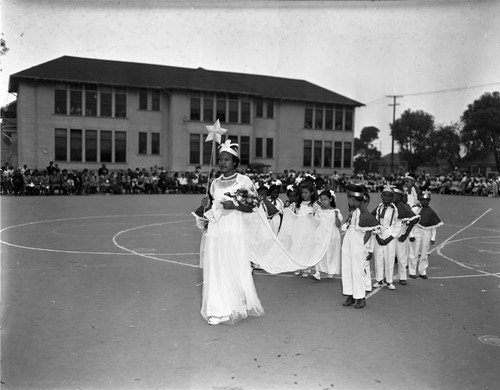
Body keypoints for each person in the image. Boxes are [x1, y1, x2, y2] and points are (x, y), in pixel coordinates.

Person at [197, 140, 264, 325]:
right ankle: (217, 308)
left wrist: (235, 205)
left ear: (235, 162)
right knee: (216, 267)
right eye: (220, 159)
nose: (222, 162)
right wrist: (206, 205)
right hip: (218, 230)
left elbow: (254, 206)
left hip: (235, 230)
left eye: (227, 159)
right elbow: (213, 206)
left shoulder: (244, 181)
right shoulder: (215, 184)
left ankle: (233, 306)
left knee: (232, 267)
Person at [341, 184, 380, 309]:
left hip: (357, 244)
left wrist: (360, 245)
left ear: (352, 199)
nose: (348, 201)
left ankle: (360, 296)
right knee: (348, 268)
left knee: (358, 270)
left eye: (348, 198)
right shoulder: (353, 211)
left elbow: (368, 232)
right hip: (349, 243)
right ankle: (351, 294)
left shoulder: (363, 212)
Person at [372, 185, 401, 290]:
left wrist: (389, 238)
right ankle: (379, 279)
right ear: (381, 196)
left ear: (392, 198)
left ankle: (389, 280)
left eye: (389, 196)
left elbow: (397, 226)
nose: (386, 198)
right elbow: (376, 222)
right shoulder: (379, 207)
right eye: (384, 196)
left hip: (390, 235)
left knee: (389, 258)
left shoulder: (394, 209)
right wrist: (378, 236)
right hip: (379, 233)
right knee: (378, 257)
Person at [408, 191, 443, 279]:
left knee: (424, 253)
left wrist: (433, 237)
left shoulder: (430, 211)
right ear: (419, 200)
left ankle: (422, 271)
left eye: (427, 200)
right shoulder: (415, 210)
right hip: (416, 231)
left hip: (426, 232)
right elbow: (410, 223)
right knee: (414, 252)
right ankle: (412, 271)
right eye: (423, 200)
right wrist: (411, 234)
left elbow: (433, 225)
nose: (425, 202)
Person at [310, 190, 342, 281]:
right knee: (319, 252)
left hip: (332, 235)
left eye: (325, 199)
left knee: (330, 253)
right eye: (321, 199)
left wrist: (336, 216)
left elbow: (338, 225)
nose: (323, 201)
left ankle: (330, 270)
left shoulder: (335, 211)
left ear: (330, 199)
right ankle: (317, 272)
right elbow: (315, 223)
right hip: (321, 234)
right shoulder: (319, 211)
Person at [290, 181, 319, 277]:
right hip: (299, 228)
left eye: (306, 193)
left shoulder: (314, 205)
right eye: (302, 193)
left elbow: (318, 217)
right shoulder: (298, 204)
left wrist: (313, 216)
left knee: (307, 247)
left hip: (309, 229)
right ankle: (297, 266)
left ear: (311, 193)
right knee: (298, 246)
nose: (303, 195)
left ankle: (307, 267)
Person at [393, 185, 419, 285]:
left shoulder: (403, 207)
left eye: (394, 195)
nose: (392, 197)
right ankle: (387, 277)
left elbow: (415, 219)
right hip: (389, 234)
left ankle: (402, 277)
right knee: (389, 257)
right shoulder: (388, 205)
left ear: (399, 197)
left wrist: (406, 234)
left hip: (400, 234)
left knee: (401, 257)